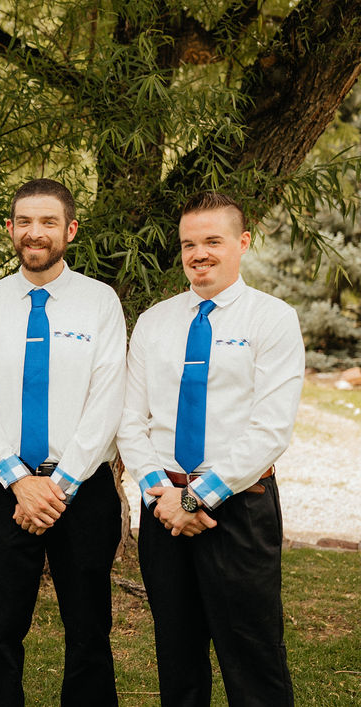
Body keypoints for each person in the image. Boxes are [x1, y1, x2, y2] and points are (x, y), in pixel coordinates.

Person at [117, 191, 303, 706]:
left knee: (253, 659)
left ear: (242, 243)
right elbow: (131, 421)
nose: (199, 254)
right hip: (163, 510)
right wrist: (163, 496)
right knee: (177, 661)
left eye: (213, 241)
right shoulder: (155, 322)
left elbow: (270, 429)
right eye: (188, 244)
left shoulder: (273, 319)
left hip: (239, 509)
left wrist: (196, 499)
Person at [0, 179, 126, 705]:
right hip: (5, 488)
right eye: (25, 222)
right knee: (1, 631)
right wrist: (18, 481)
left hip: (82, 488)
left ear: (70, 230)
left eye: (48, 222)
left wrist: (59, 485)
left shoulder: (100, 303)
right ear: (10, 230)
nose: (36, 233)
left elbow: (108, 400)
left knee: (89, 630)